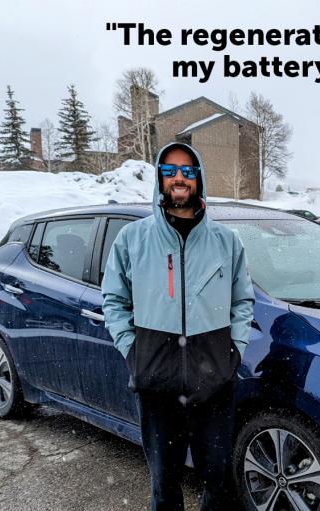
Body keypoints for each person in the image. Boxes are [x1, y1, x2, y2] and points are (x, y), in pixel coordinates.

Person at [101, 142, 255, 510]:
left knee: (218, 481)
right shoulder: (133, 239)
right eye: (170, 171)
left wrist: (233, 352)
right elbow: (114, 301)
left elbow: (242, 301)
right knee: (164, 485)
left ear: (198, 178)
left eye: (187, 171)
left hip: (213, 384)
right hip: (157, 385)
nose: (179, 178)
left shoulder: (225, 242)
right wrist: (134, 351)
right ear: (160, 179)